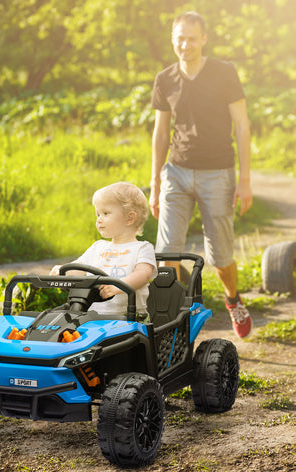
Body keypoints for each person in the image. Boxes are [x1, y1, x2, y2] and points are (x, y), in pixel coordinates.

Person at [149, 11, 253, 338]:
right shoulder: (165, 79)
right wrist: (154, 183)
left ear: (204, 38)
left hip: (218, 174)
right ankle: (179, 317)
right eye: (179, 38)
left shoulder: (224, 73)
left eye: (192, 38)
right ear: (172, 40)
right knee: (166, 254)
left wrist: (245, 179)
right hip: (176, 173)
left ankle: (232, 300)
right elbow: (161, 133)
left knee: (220, 256)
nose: (185, 45)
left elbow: (242, 125)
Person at [51, 182, 157, 317]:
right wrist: (63, 270)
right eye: (98, 214)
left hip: (129, 318)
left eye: (105, 213)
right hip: (91, 317)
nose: (99, 220)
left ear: (129, 218)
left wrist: (119, 286)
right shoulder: (98, 247)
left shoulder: (142, 248)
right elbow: (79, 269)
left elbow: (143, 275)